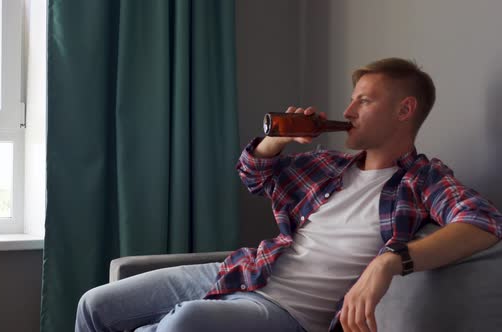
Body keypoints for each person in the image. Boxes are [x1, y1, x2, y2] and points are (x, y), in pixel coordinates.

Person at [75, 58, 502, 332]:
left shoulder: (423, 180)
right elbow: (254, 175)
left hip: (290, 313)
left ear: (404, 110)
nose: (348, 112)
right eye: (352, 101)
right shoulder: (329, 165)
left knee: (184, 323)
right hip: (243, 273)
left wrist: (390, 262)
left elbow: (484, 223)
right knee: (95, 305)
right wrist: (277, 141)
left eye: (364, 101)